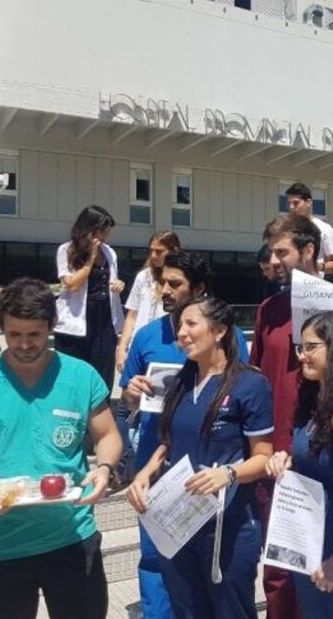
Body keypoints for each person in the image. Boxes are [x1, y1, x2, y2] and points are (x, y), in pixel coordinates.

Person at [0, 278, 122, 619]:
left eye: (34, 334)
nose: (24, 344)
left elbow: (107, 435)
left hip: (71, 535)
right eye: (14, 334)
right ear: (0, 328)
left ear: (52, 326)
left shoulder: (80, 376)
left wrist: (104, 469)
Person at [253, 213, 333, 618]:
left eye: (281, 252)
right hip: (284, 456)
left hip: (330, 466)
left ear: (308, 251)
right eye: (269, 252)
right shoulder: (267, 310)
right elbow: (255, 380)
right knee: (281, 570)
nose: (273, 260)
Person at [119, 251, 248, 618]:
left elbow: (243, 390)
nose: (165, 290)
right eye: (163, 282)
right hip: (155, 461)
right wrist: (131, 392)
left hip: (208, 470)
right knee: (156, 555)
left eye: (175, 284)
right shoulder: (146, 336)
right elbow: (127, 397)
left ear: (200, 289)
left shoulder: (231, 336)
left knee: (207, 561)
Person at [127, 298, 273, 619]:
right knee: (187, 611)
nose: (181, 333)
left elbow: (264, 457)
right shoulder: (179, 381)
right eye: (180, 325)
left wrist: (229, 474)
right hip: (179, 520)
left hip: (227, 526)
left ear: (220, 330)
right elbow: (170, 441)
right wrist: (145, 473)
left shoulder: (250, 384)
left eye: (191, 324)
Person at [265, 312, 333, 619]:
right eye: (300, 347)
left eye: (310, 346)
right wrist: (285, 463)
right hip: (306, 542)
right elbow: (307, 460)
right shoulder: (310, 400)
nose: (301, 355)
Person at [54, 205, 125, 393]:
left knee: (102, 377)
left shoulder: (110, 252)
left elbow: (110, 279)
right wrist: (91, 257)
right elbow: (72, 284)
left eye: (107, 230)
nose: (105, 235)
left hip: (104, 321)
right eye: (102, 230)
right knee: (73, 378)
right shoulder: (66, 250)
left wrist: (118, 284)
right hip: (76, 324)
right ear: (88, 229)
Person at [117, 231, 181, 373]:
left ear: (174, 251)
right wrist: (122, 350)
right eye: (151, 251)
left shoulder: (182, 281)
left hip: (167, 347)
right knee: (132, 391)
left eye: (159, 252)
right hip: (139, 346)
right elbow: (132, 316)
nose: (153, 256)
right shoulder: (143, 277)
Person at [287, 182, 333, 276]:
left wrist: (317, 266)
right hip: (288, 283)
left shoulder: (325, 229)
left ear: (308, 203)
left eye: (296, 203)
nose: (291, 207)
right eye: (289, 203)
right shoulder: (286, 228)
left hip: (312, 284)